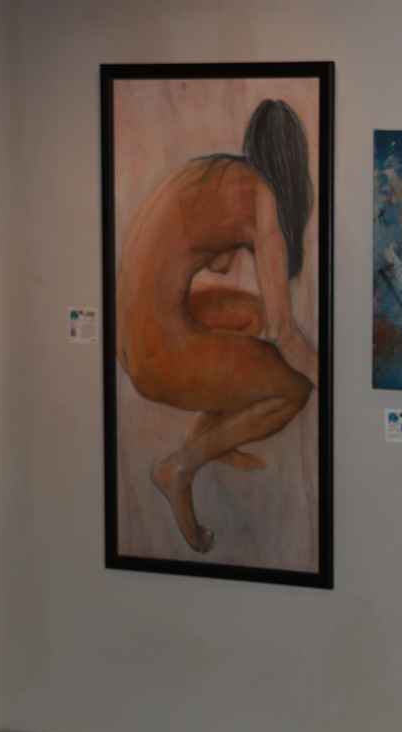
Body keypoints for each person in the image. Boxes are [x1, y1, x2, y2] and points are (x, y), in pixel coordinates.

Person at [118, 98, 317, 554]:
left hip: (127, 334)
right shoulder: (265, 200)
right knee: (295, 387)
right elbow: (285, 334)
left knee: (254, 313)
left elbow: (218, 261)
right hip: (155, 352)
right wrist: (334, 386)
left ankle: (205, 436)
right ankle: (178, 467)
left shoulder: (218, 174)